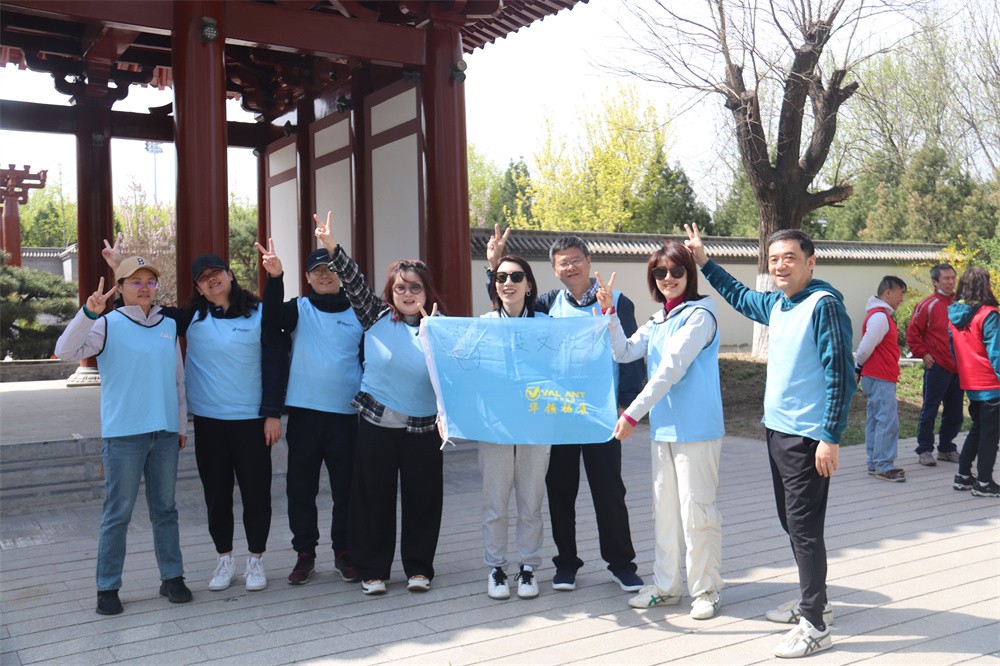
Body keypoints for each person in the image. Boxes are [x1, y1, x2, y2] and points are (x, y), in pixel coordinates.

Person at [685, 224, 855, 658]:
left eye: (789, 258)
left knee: (804, 529)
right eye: (774, 259)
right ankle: (817, 602)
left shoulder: (823, 305)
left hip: (807, 438)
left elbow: (840, 374)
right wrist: (705, 262)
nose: (780, 265)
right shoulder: (779, 304)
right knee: (793, 523)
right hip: (778, 431)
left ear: (810, 262)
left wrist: (830, 437)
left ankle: (815, 625)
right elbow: (741, 297)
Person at [101, 241, 285, 593]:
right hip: (210, 422)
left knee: (257, 494)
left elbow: (276, 363)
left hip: (252, 422)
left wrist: (272, 413)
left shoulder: (259, 314)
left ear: (230, 275)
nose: (211, 280)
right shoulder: (191, 319)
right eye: (203, 278)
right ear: (198, 288)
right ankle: (224, 559)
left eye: (217, 273)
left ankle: (256, 560)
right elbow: (140, 304)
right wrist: (120, 267)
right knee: (216, 495)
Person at [487, 225, 644, 593]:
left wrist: (627, 406)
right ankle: (566, 564)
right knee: (560, 492)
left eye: (576, 260)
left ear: (588, 261)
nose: (570, 267)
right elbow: (509, 314)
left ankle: (622, 564)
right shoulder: (547, 305)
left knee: (609, 491)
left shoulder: (616, 300)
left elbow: (631, 355)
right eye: (563, 263)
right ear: (554, 270)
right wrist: (494, 267)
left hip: (601, 415)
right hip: (557, 416)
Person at [314, 211, 444, 595]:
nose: (408, 293)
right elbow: (353, 280)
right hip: (378, 423)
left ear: (427, 292)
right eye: (401, 287)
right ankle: (373, 570)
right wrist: (332, 247)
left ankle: (419, 568)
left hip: (424, 426)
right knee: (373, 498)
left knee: (423, 499)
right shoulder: (374, 315)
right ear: (391, 291)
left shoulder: (440, 326)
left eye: (415, 287)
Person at [55, 257, 192, 615]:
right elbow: (65, 351)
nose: (145, 288)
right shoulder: (106, 324)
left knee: (165, 509)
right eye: (135, 282)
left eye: (150, 281)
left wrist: (180, 425)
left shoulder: (167, 325)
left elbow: (178, 380)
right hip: (124, 436)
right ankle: (107, 586)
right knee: (118, 513)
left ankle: (172, 576)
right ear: (121, 287)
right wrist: (88, 313)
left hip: (164, 433)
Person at [596, 242, 725, 621]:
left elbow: (671, 368)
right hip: (664, 430)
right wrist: (610, 313)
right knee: (664, 512)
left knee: (697, 512)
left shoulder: (701, 315)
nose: (668, 278)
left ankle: (706, 589)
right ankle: (667, 586)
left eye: (676, 271)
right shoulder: (659, 319)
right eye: (660, 272)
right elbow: (623, 352)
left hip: (697, 430)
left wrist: (632, 414)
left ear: (689, 274)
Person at [257, 240, 364, 584]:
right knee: (300, 488)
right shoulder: (299, 309)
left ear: (340, 273)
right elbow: (271, 316)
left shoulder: (358, 312)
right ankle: (305, 553)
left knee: (346, 489)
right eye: (317, 271)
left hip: (345, 416)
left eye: (331, 269)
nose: (325, 275)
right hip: (305, 415)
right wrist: (275, 278)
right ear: (307, 277)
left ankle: (344, 552)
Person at [479, 255, 552, 601]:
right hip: (494, 426)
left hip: (535, 424)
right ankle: (496, 567)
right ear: (494, 286)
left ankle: (527, 567)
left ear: (529, 284)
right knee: (495, 502)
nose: (508, 283)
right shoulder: (482, 324)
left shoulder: (546, 325)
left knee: (531, 501)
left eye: (516, 276)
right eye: (501, 277)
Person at [947, 268, 1000, 498]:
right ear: (984, 285)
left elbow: (954, 350)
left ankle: (963, 476)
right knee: (990, 435)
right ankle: (984, 482)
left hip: (970, 382)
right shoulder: (988, 314)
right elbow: (996, 352)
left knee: (978, 429)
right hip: (991, 384)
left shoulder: (955, 316)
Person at [906, 263, 963, 466]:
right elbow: (912, 333)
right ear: (935, 282)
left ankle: (946, 448)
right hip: (937, 367)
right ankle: (924, 450)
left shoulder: (960, 304)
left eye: (953, 278)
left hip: (958, 367)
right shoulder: (926, 305)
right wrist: (923, 353)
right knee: (930, 410)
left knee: (955, 412)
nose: (950, 282)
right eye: (946, 278)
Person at [854, 276, 908, 482]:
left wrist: (860, 368)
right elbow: (865, 347)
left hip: (876, 376)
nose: (901, 299)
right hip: (880, 376)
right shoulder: (880, 317)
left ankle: (874, 462)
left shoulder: (878, 315)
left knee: (876, 421)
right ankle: (884, 466)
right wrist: (858, 366)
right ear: (888, 293)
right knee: (887, 422)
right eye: (900, 294)